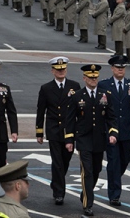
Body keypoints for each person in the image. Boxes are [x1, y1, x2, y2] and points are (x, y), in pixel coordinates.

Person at [64, 64, 117, 216]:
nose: (93, 80)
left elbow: (111, 117)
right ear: (84, 78)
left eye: (95, 77)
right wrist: (69, 140)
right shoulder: (77, 96)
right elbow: (70, 120)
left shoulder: (105, 95)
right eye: (90, 77)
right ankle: (88, 204)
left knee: (96, 170)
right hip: (83, 139)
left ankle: (85, 193)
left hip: (99, 139)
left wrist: (113, 133)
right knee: (86, 171)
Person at [35, 56, 79, 205]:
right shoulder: (46, 88)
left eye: (63, 69)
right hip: (54, 130)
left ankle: (56, 182)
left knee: (66, 160)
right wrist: (39, 132)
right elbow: (41, 111)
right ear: (52, 71)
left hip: (70, 130)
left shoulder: (74, 86)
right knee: (57, 162)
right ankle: (59, 193)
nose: (61, 72)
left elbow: (80, 109)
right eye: (58, 69)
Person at [99, 55, 130, 207]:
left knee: (125, 160)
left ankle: (115, 177)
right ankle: (114, 195)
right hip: (110, 131)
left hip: (125, 130)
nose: (120, 70)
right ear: (112, 69)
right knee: (113, 162)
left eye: (122, 68)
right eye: (118, 67)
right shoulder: (104, 85)